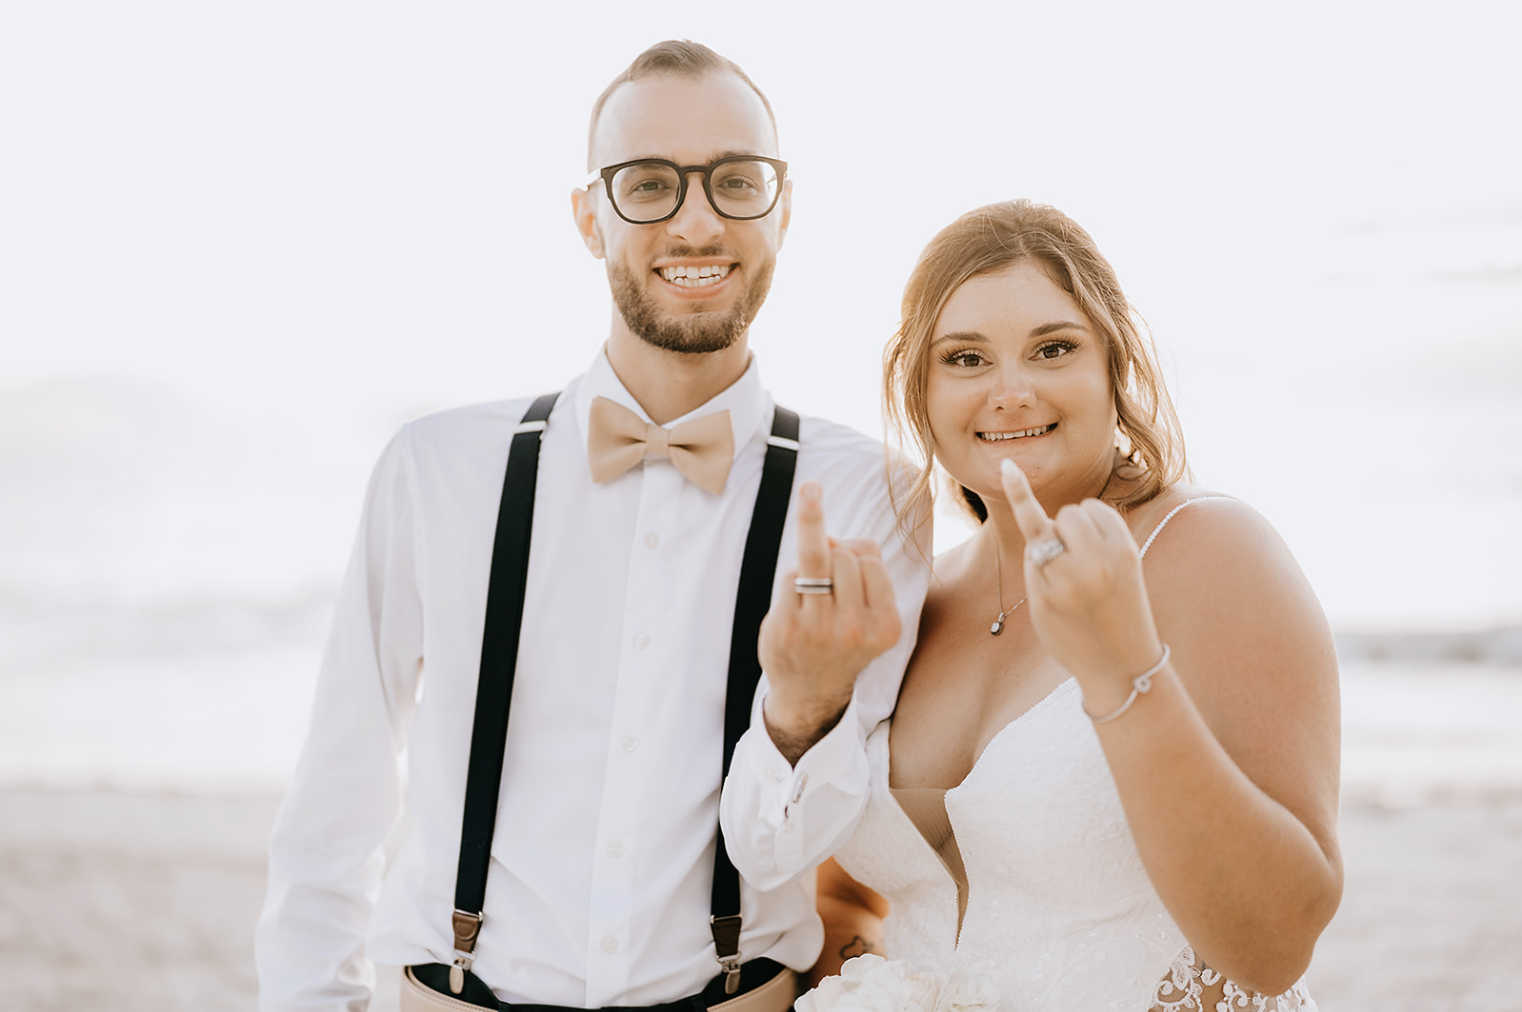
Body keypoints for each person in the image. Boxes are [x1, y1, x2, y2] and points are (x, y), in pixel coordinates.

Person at [255, 40, 930, 1012]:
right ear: (589, 216)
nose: (697, 220)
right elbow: (338, 793)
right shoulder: (436, 470)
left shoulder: (871, 494)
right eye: (649, 183)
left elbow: (799, 847)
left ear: (783, 207)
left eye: (735, 181)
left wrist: (798, 716)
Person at [721, 200, 1343, 1011]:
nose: (1010, 392)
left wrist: (1124, 670)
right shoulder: (916, 594)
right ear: (919, 388)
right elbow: (845, 899)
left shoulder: (1207, 551)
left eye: (1053, 349)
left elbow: (1275, 943)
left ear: (1114, 364)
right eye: (966, 359)